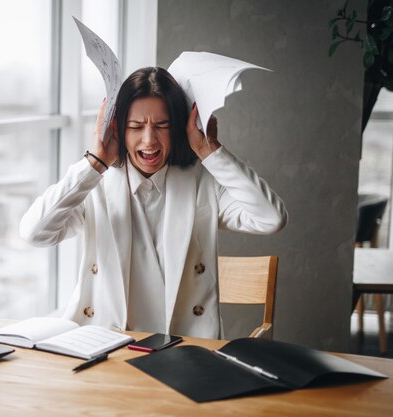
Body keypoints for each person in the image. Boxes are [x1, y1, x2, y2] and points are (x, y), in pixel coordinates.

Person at [19, 67, 287, 339]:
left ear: (181, 129)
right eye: (135, 126)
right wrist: (95, 163)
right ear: (117, 129)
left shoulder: (202, 182)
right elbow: (34, 232)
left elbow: (271, 218)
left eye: (162, 126)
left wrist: (212, 152)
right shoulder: (94, 183)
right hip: (101, 347)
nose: (149, 140)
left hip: (180, 350)